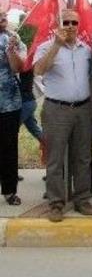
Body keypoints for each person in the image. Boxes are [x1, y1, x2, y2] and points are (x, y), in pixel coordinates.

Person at [34, 9, 92, 222]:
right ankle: (56, 203)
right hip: (56, 109)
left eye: (74, 23)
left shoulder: (86, 50)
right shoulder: (45, 47)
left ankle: (81, 198)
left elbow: (91, 80)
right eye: (66, 22)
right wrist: (56, 46)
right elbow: (39, 70)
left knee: (82, 156)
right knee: (55, 158)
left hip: (82, 109)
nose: (70, 26)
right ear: (59, 25)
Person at [0, 11, 25, 205]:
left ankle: (9, 191)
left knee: (8, 147)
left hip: (9, 104)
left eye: (3, 17)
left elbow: (18, 68)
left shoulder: (13, 39)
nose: (2, 20)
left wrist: (11, 51)